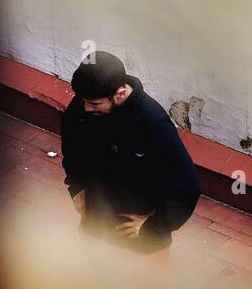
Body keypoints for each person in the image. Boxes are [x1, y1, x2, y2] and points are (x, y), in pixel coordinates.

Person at [61, 51, 201, 261]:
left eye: (94, 104)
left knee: (147, 287)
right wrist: (76, 185)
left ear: (119, 94)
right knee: (83, 272)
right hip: (96, 213)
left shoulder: (152, 123)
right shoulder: (85, 104)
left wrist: (154, 226)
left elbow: (188, 185)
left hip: (136, 226)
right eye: (83, 101)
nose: (85, 108)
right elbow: (72, 144)